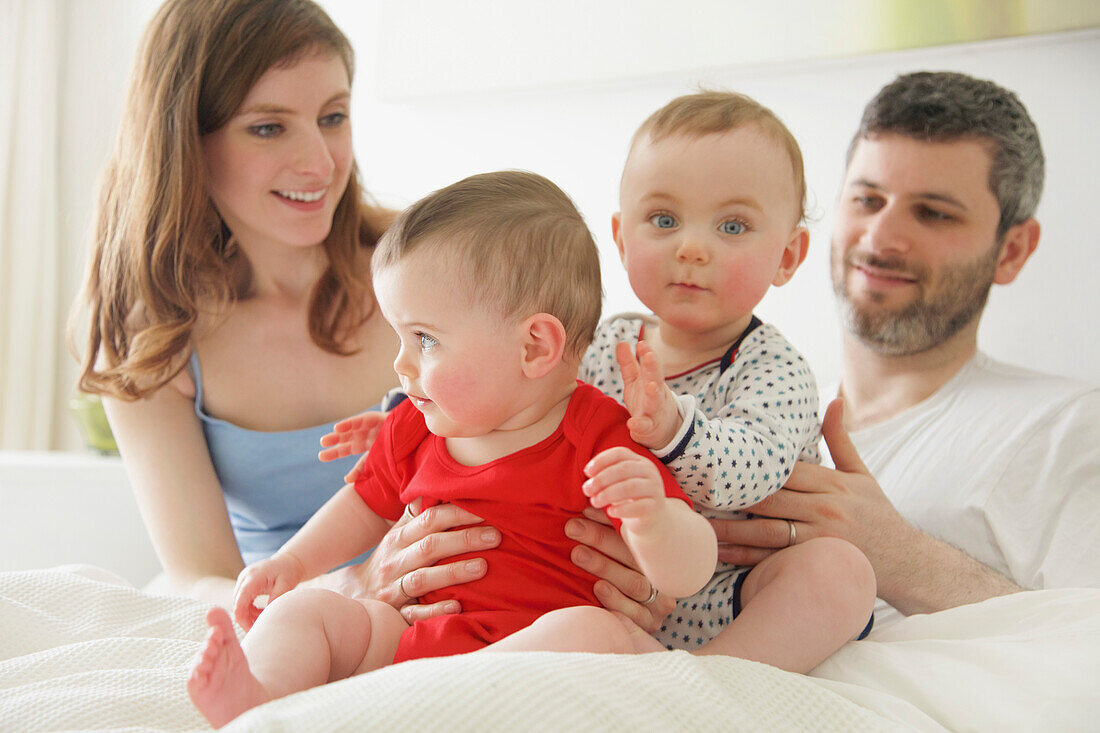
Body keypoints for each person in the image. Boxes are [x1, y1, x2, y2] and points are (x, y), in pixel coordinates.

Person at [325, 92, 877, 669]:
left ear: (788, 257)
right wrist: (408, 413)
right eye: (663, 220)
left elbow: (755, 467)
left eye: (732, 226)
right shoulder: (601, 344)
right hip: (593, 597)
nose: (691, 248)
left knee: (839, 572)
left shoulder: (775, 367)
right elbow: (512, 393)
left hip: (727, 588)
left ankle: (712, 692)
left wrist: (671, 429)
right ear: (620, 237)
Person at [187, 170, 717, 727]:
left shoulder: (598, 435)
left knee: (597, 632)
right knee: (309, 612)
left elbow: (689, 572)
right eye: (401, 337)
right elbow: (362, 507)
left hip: (529, 660)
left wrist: (653, 521)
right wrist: (291, 563)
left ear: (534, 347)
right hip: (414, 640)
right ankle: (260, 693)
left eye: (426, 339)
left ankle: (431, 706)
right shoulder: (415, 426)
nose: (400, 363)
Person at [605, 72, 1100, 625]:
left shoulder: (1070, 428)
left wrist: (901, 557)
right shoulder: (745, 402)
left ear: (1012, 250)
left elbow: (1086, 646)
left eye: (933, 212)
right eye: (868, 199)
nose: (880, 238)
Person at [70, 0, 508, 609]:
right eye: (269, 127)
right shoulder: (154, 337)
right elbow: (200, 580)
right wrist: (350, 590)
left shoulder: (433, 263)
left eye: (333, 117)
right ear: (185, 141)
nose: (320, 163)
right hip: (291, 622)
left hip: (477, 598)